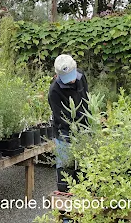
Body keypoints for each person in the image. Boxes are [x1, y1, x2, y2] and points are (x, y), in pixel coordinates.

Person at [48, 54, 89, 192]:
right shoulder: (54, 91)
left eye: (71, 75)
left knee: (85, 167)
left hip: (84, 128)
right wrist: (73, 130)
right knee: (65, 169)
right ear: (57, 75)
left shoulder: (81, 77)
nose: (70, 81)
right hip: (64, 131)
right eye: (66, 78)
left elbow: (87, 100)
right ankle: (64, 204)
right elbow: (60, 117)